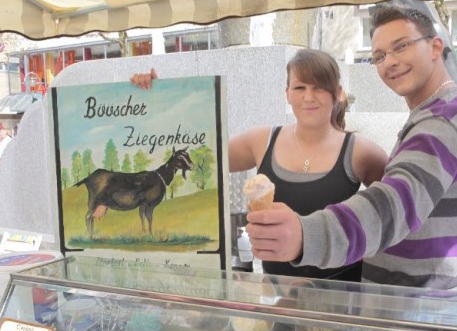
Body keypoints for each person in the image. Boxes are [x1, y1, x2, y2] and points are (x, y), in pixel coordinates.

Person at [246, 4, 457, 291]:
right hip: (415, 297)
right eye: (379, 56)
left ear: (435, 47)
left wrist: (306, 236)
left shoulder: (444, 120)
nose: (390, 62)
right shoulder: (437, 113)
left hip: (423, 303)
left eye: (401, 46)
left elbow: (393, 205)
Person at [130, 49, 388, 282]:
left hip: (342, 294)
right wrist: (158, 99)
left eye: (319, 88)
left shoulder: (361, 152)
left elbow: (393, 217)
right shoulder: (262, 141)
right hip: (277, 295)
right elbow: (198, 155)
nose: (309, 97)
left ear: (338, 93)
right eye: (299, 87)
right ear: (287, 93)